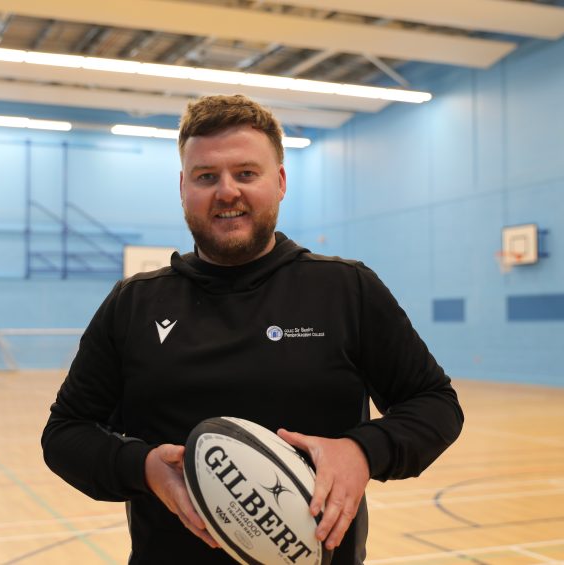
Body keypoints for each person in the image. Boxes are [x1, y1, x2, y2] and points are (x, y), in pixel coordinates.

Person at [42, 94, 464, 564]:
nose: (227, 192)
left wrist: (363, 451)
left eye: (246, 173)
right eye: (206, 177)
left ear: (280, 182)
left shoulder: (345, 289)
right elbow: (65, 433)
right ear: (183, 188)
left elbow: (436, 404)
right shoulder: (134, 303)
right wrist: (144, 469)